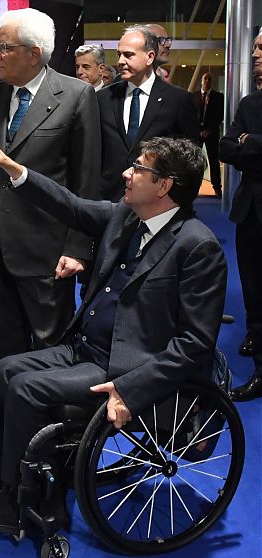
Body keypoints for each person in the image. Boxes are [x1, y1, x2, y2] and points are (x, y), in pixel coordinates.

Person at [0, 125, 227, 535]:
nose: (126, 173)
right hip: (86, 346)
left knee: (25, 388)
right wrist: (11, 167)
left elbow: (195, 343)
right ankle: (15, 483)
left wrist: (131, 389)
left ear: (164, 186)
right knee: (5, 370)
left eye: (138, 169)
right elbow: (69, 205)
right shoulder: (127, 216)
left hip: (125, 366)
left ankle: (33, 502)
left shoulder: (197, 246)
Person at [0, 8, 101, 363]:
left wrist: (78, 249)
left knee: (52, 355)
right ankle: (9, 403)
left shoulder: (77, 96)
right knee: (7, 354)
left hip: (48, 255)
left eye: (3, 48)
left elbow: (86, 181)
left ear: (34, 53)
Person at [97, 25, 199, 201]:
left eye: (128, 55)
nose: (120, 61)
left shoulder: (178, 100)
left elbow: (190, 159)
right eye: (118, 54)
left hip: (157, 201)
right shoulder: (103, 98)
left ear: (150, 57)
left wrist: (181, 201)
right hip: (108, 200)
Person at [218, 31, 262, 401]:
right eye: (255, 46)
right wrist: (245, 144)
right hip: (250, 212)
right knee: (254, 290)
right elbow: (226, 148)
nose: (255, 53)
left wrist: (252, 141)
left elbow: (241, 146)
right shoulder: (249, 103)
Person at [193, 72, 224, 197]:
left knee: (213, 161)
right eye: (205, 79)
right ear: (201, 81)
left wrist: (209, 130)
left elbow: (220, 115)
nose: (207, 81)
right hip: (196, 133)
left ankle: (217, 187)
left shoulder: (219, 97)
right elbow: (190, 114)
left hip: (212, 133)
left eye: (209, 79)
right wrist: (197, 130)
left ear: (212, 82)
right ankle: (193, 187)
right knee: (194, 160)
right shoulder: (193, 96)